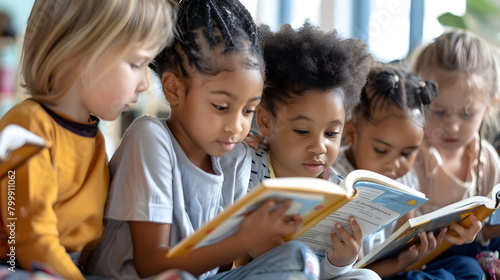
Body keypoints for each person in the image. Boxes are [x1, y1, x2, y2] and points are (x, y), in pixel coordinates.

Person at [86, 1, 319, 280]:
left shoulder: (235, 157)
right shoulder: (150, 138)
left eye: (248, 111)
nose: (236, 126)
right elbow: (151, 266)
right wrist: (245, 239)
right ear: (174, 90)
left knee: (299, 260)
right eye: (221, 106)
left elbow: (217, 268)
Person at [0, 1, 175, 279]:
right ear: (80, 55)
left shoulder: (93, 139)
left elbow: (90, 240)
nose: (144, 84)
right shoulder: (28, 128)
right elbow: (32, 240)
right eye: (136, 64)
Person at [246, 22, 378, 280]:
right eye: (302, 131)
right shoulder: (247, 168)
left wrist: (340, 261)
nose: (319, 147)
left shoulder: (339, 191)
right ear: (265, 122)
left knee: (367, 277)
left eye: (331, 134)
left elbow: (326, 273)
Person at [333, 64, 485, 279]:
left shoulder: (404, 176)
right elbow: (348, 273)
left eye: (407, 153)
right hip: (367, 274)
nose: (395, 164)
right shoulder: (337, 179)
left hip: (399, 265)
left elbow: (408, 232)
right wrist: (400, 264)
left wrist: (444, 237)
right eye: (381, 150)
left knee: (467, 266)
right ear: (352, 133)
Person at [411, 29, 500, 279]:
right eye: (438, 112)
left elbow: (489, 227)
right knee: (468, 272)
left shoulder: (487, 159)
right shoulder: (412, 155)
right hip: (419, 258)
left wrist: (481, 231)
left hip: (468, 248)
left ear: (490, 106)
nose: (451, 126)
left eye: (466, 114)